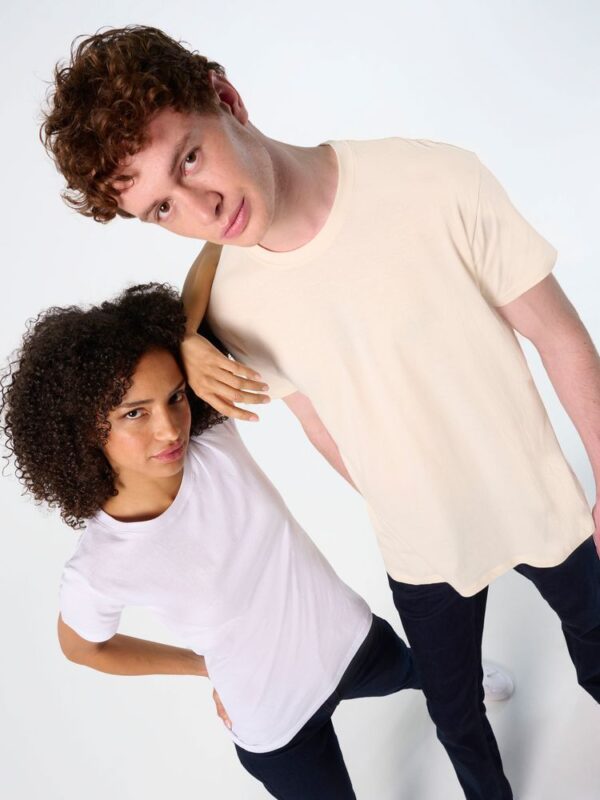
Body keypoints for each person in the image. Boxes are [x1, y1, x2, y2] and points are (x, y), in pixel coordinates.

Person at [40, 26, 600, 800]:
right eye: (163, 207)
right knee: (454, 716)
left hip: (543, 500)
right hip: (418, 549)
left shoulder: (431, 179)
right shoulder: (228, 306)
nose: (201, 209)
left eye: (191, 158)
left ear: (227, 98)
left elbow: (561, 337)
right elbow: (311, 420)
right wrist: (185, 335)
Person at [0, 282, 423, 799]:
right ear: (83, 428)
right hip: (276, 724)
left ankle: (468, 691)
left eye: (175, 397)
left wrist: (187, 340)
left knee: (429, 674)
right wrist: (201, 667)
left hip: (352, 642)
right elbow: (84, 648)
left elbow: (218, 257)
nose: (170, 429)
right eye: (134, 412)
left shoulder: (212, 433)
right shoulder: (99, 566)